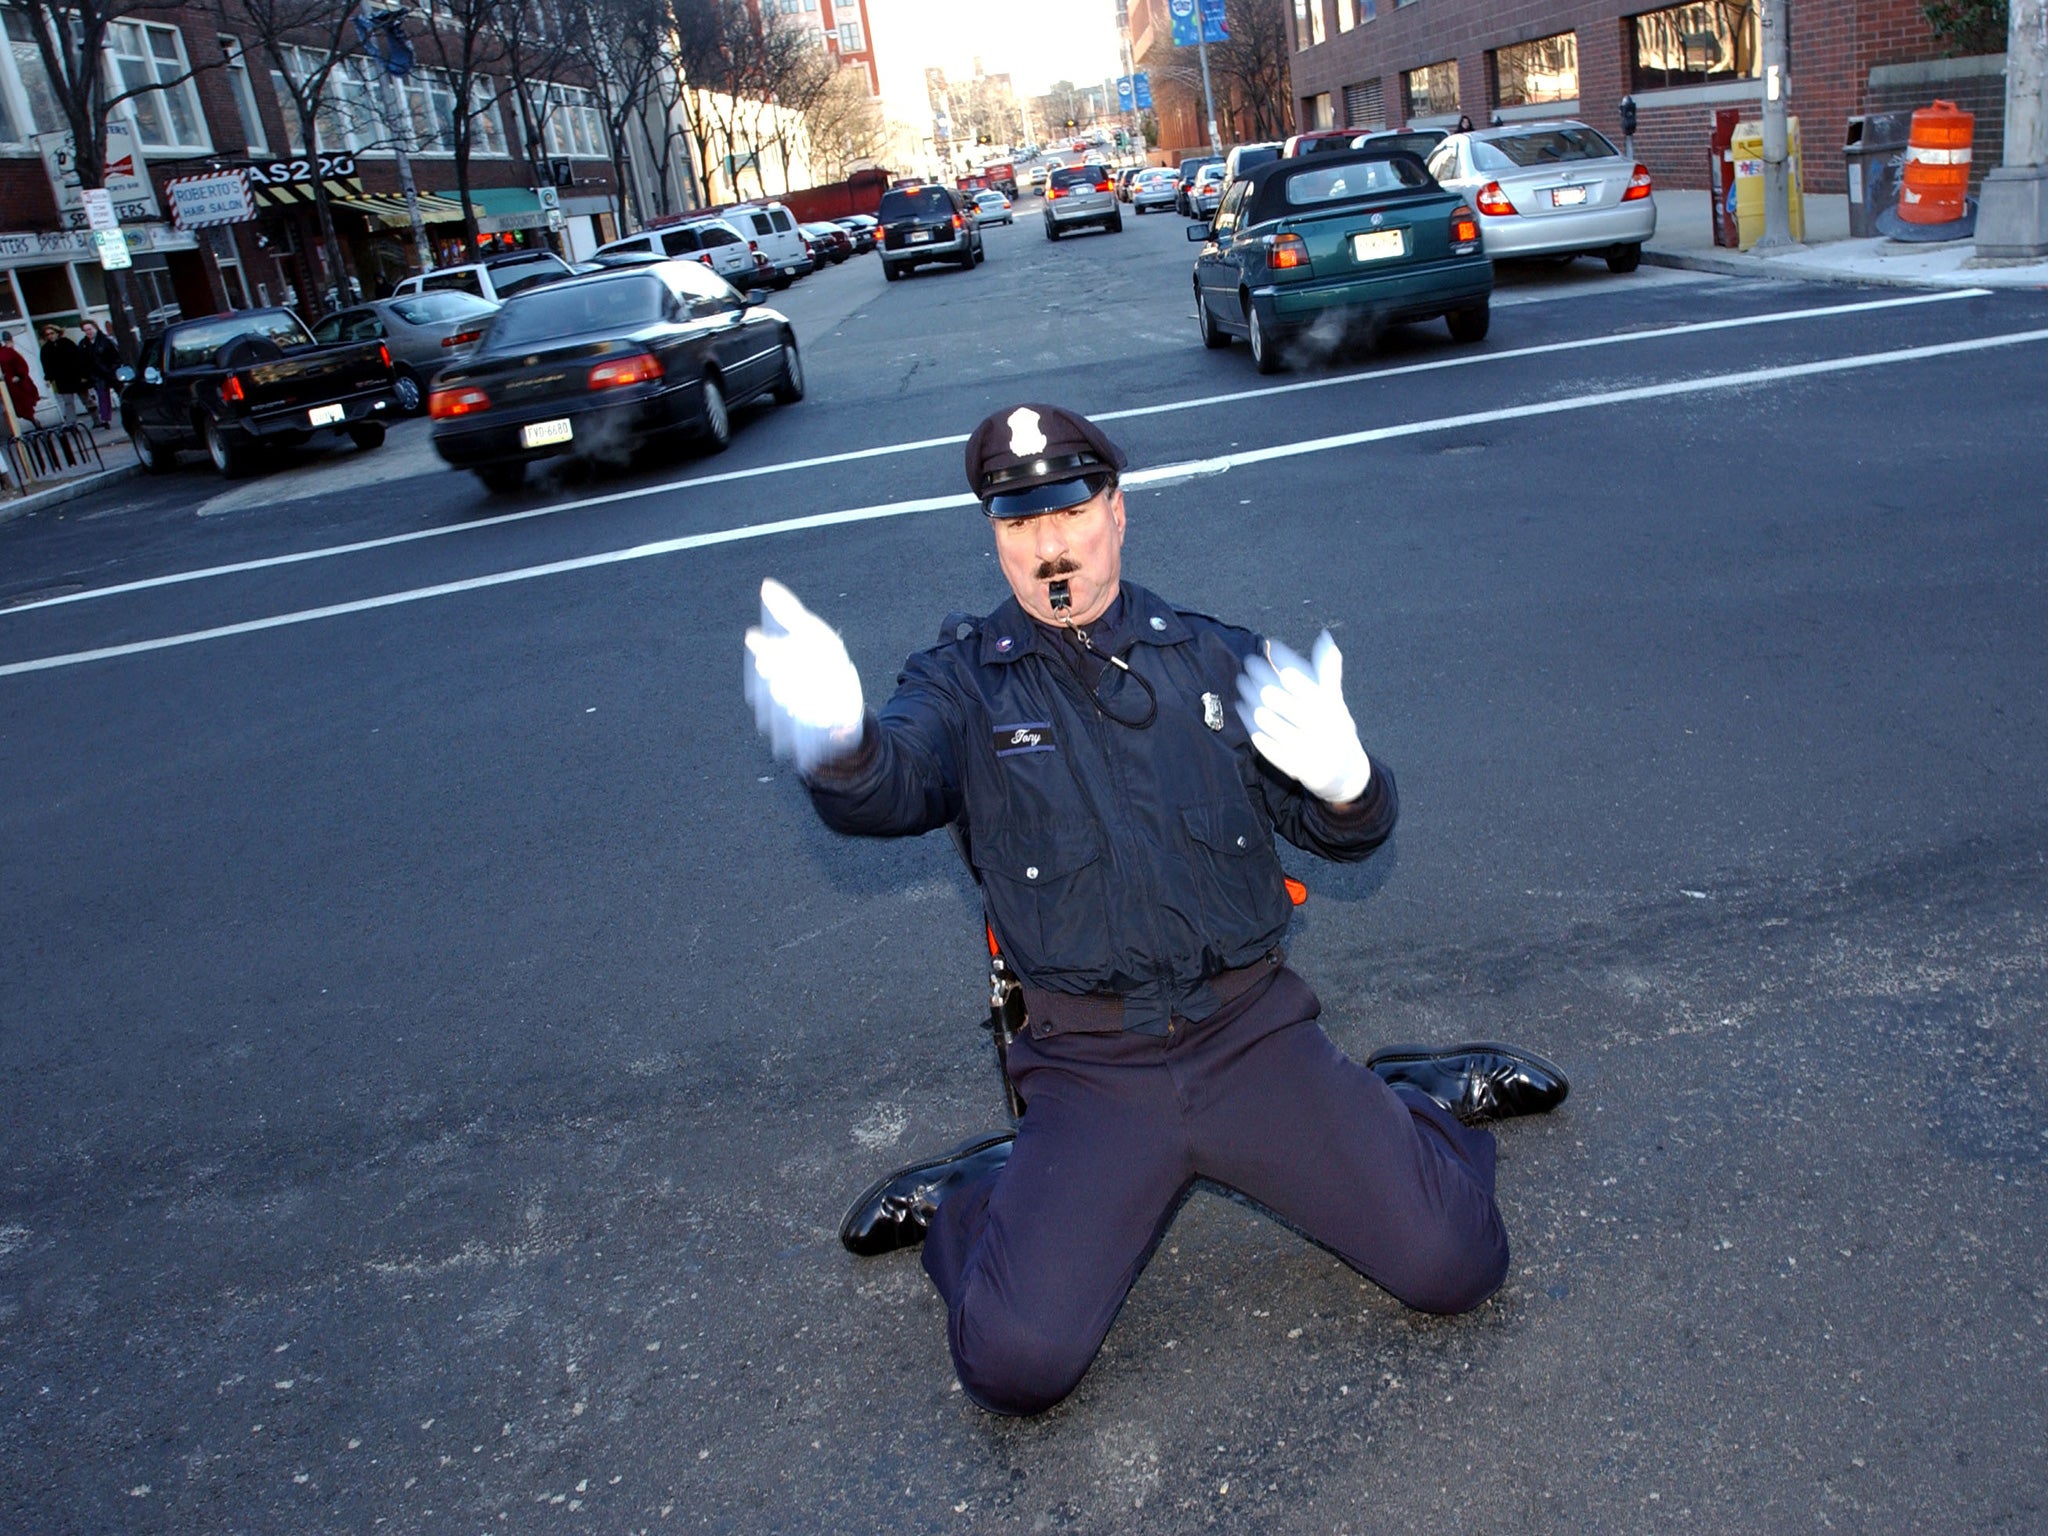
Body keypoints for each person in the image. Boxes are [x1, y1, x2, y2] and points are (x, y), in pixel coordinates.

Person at [743, 404, 1569, 1416]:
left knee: (1457, 1265)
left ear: (1115, 511)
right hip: (1095, 1073)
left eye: (1069, 511)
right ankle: (980, 1197)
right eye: (1017, 523)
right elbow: (895, 784)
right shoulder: (959, 686)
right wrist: (844, 746)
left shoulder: (1214, 662)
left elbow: (1348, 835)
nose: (1049, 545)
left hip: (1250, 1038)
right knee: (1014, 1364)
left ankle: (1413, 1106)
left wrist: (1351, 785)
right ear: (993, 536)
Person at [37, 324, 90, 428]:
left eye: (52, 333)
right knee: (68, 402)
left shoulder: (67, 343)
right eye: (47, 335)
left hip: (76, 376)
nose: (50, 336)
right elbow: (47, 365)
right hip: (62, 379)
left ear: (57, 333)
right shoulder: (46, 349)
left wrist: (84, 374)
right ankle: (72, 424)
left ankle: (97, 419)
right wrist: (48, 378)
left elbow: (78, 358)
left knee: (86, 399)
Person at [79, 319, 121, 429]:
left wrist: (113, 368)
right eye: (85, 330)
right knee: (102, 395)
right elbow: (83, 361)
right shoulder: (84, 344)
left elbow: (116, 356)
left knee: (120, 392)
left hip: (111, 372)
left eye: (89, 329)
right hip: (97, 374)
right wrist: (87, 375)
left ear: (95, 328)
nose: (88, 332)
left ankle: (130, 412)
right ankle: (105, 419)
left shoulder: (106, 341)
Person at [0, 330, 39, 432]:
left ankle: (34, 422)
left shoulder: (7, 352)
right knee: (7, 411)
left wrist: (19, 376)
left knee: (22, 409)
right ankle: (12, 432)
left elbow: (21, 365)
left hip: (14, 387)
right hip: (4, 388)